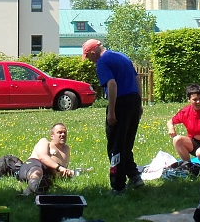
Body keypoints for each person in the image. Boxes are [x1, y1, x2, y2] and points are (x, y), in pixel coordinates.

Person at [82, 38, 144, 194]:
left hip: (120, 103)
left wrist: (111, 110)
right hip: (134, 100)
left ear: (93, 52)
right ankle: (135, 177)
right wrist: (139, 103)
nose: (89, 61)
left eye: (88, 57)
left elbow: (112, 84)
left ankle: (118, 186)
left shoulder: (102, 62)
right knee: (126, 143)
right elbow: (137, 78)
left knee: (115, 145)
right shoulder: (122, 56)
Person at [18, 123, 75, 196]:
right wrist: (59, 168)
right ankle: (37, 188)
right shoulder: (45, 142)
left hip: (48, 174)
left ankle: (29, 192)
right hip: (33, 165)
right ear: (52, 136)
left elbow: (62, 171)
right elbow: (42, 157)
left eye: (64, 132)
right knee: (37, 172)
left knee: (44, 179)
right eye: (59, 132)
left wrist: (69, 172)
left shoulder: (66, 149)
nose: (63, 134)